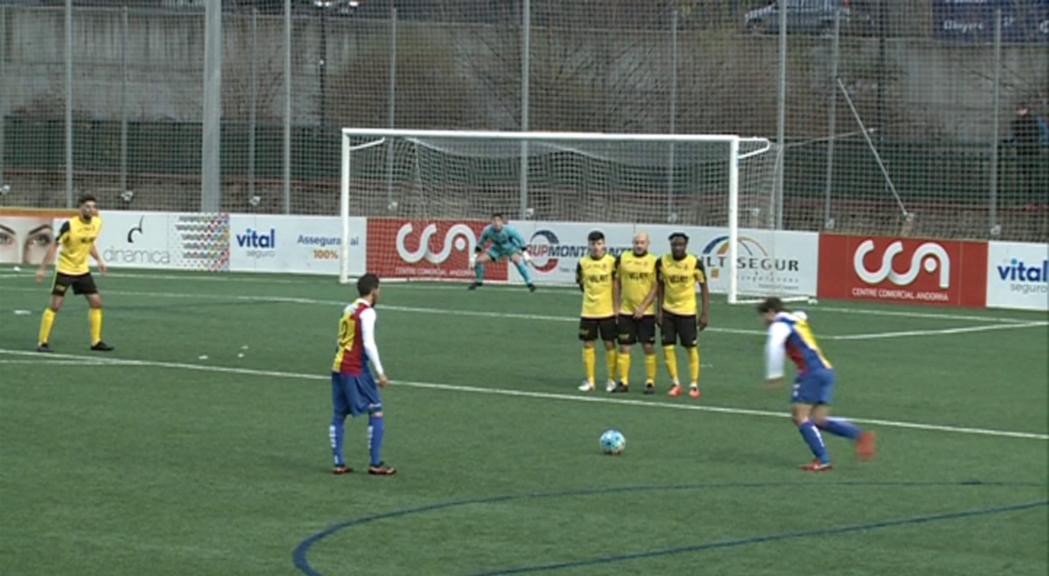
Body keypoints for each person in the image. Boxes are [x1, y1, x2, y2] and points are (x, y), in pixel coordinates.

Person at [759, 297, 875, 472]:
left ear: (770, 312)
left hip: (810, 373)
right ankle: (859, 435)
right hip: (826, 371)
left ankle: (823, 459)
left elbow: (774, 346)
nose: (763, 321)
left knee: (800, 416)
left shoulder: (779, 325)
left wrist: (774, 374)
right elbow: (801, 315)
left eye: (763, 316)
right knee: (818, 420)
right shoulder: (794, 319)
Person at [330, 273, 396, 476]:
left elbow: (340, 340)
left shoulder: (348, 309)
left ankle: (339, 463)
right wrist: (381, 372)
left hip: (338, 366)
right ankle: (375, 463)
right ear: (373, 291)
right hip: (356, 368)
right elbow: (368, 343)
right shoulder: (367, 313)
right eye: (379, 290)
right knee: (376, 409)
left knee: (339, 414)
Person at [34, 195, 113, 353]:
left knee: (96, 303)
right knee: (55, 306)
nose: (91, 210)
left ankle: (96, 341)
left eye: (93, 207)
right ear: (80, 208)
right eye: (87, 206)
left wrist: (99, 260)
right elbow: (54, 246)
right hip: (65, 270)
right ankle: (42, 342)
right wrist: (43, 268)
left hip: (82, 270)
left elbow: (89, 243)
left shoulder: (97, 223)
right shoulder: (69, 225)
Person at [657, 232, 708, 399]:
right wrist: (659, 310)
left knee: (690, 348)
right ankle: (675, 383)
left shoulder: (694, 263)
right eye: (674, 244)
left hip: (687, 312)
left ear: (686, 245)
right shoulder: (662, 262)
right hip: (668, 311)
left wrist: (704, 313)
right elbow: (660, 286)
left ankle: (694, 384)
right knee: (667, 347)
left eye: (680, 244)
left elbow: (704, 288)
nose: (677, 247)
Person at [613, 232, 659, 395]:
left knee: (648, 346)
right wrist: (617, 306)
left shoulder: (654, 261)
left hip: (646, 313)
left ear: (648, 244)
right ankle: (623, 381)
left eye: (642, 242)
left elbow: (655, 287)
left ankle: (650, 381)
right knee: (625, 347)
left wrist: (643, 307)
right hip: (626, 311)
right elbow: (617, 282)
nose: (639, 245)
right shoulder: (623, 259)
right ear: (632, 243)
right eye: (637, 242)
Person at [576, 230, 618, 393]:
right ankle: (590, 380)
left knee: (609, 344)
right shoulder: (582, 262)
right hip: (588, 311)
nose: (596, 247)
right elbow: (581, 284)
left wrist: (616, 308)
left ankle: (612, 380)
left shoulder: (612, 262)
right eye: (593, 244)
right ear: (588, 245)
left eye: (599, 244)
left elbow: (616, 286)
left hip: (607, 312)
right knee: (588, 344)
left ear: (604, 244)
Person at [468, 213, 536, 292]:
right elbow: (480, 244)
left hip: (510, 248)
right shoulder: (487, 231)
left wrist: (525, 254)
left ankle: (529, 283)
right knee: (478, 261)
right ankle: (478, 281)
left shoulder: (509, 230)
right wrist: (473, 257)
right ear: (491, 222)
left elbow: (520, 240)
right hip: (496, 249)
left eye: (498, 221)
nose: (496, 223)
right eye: (494, 221)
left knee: (517, 261)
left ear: (502, 222)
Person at [1010, 103, 1042, 204]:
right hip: (1024, 151)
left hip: (1032, 151)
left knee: (1033, 175)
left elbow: (1043, 133)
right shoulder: (1016, 123)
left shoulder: (1035, 121)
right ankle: (1028, 200)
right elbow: (1013, 137)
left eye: (1022, 109)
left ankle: (1034, 200)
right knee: (1026, 175)